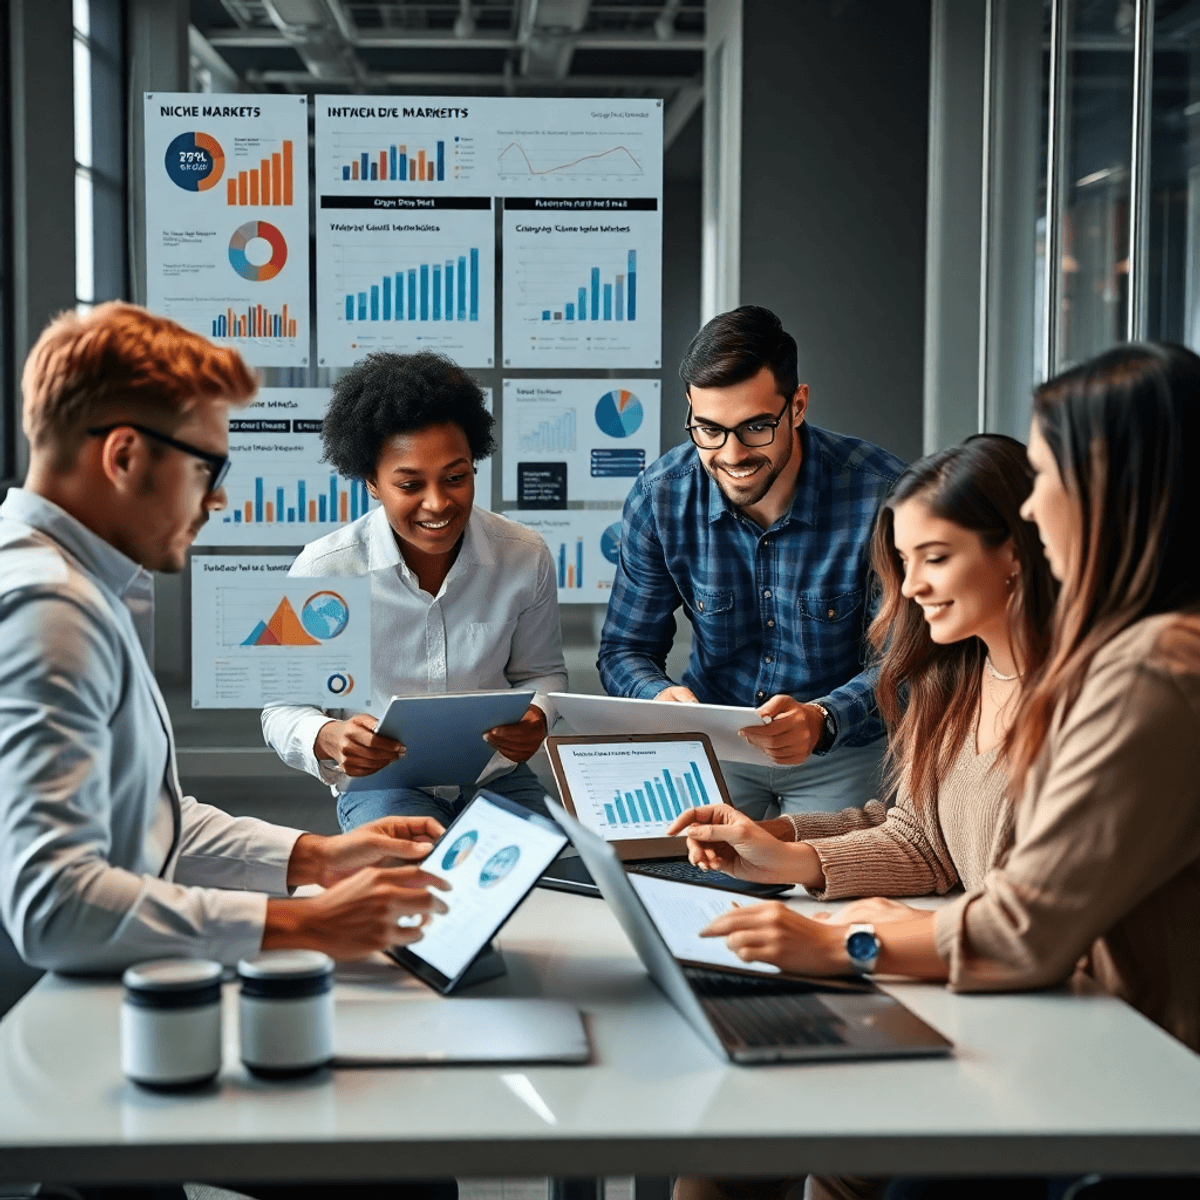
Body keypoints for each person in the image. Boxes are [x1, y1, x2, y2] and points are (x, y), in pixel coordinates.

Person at [696, 343, 1200, 1062]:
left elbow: (1025, 924)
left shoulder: (1147, 671)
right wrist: (785, 851)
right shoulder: (970, 676)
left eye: (1048, 477)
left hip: (1128, 1058)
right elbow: (924, 839)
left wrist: (845, 941)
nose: (1033, 506)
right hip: (1068, 1025)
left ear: (1107, 490)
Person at [0, 303, 448, 977]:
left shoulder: (75, 583)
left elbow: (150, 818)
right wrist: (304, 922)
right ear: (124, 455)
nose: (216, 501)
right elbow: (54, 904)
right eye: (208, 469)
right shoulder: (49, 609)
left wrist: (315, 858)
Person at [670, 435, 1056, 904]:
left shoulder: (1087, 699)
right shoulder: (950, 683)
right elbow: (921, 841)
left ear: (1015, 550)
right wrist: (774, 847)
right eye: (903, 561)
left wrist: (850, 944)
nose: (912, 586)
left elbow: (1036, 917)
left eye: (935, 558)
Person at [597, 305, 907, 816]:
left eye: (756, 427)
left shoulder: (883, 496)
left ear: (799, 405)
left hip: (843, 748)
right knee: (677, 875)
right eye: (709, 429)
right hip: (712, 744)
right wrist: (657, 697)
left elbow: (908, 660)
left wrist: (823, 718)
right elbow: (624, 649)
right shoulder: (662, 496)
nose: (732, 454)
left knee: (828, 887)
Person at [261, 351, 568, 831]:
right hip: (383, 785)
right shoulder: (322, 571)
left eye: (455, 477)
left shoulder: (524, 555)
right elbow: (281, 708)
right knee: (417, 888)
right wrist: (327, 735)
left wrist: (538, 716)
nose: (438, 503)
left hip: (495, 780)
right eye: (409, 484)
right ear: (372, 484)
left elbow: (543, 674)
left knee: (554, 884)